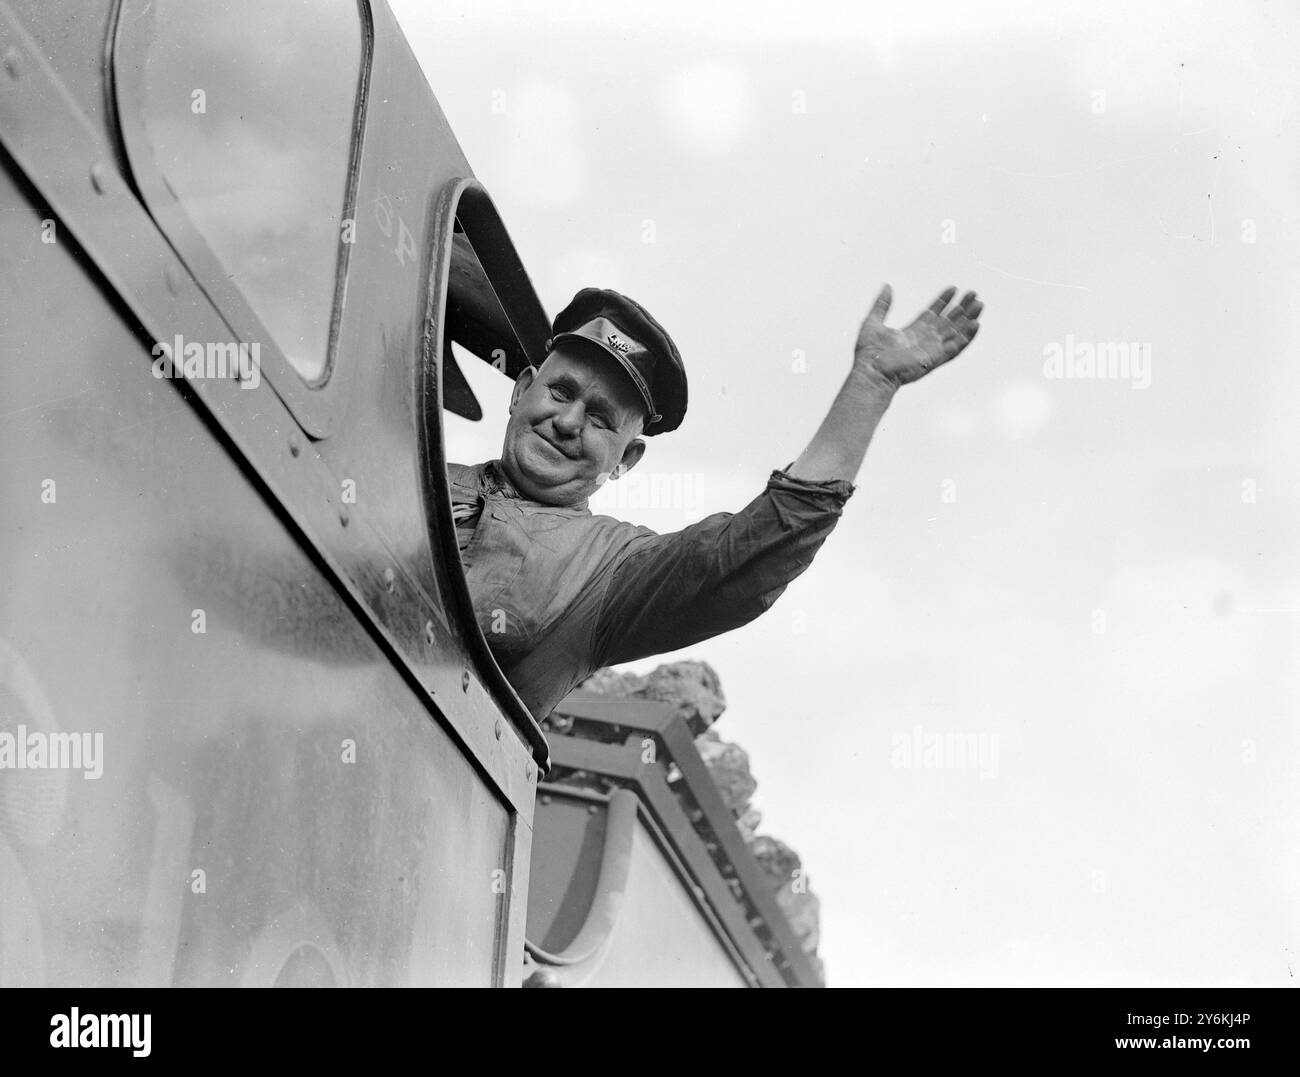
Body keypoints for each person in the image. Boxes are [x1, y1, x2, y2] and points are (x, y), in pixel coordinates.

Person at [448, 284, 983, 721]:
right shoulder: (407, 460)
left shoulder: (609, 569)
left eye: (600, 417)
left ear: (626, 459)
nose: (567, 422)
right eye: (561, 392)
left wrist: (871, 384)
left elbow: (754, 547)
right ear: (522, 389)